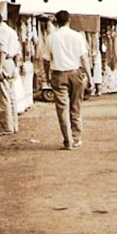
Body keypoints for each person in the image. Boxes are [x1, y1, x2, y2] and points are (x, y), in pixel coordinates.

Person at [43, 10, 94, 150]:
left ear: (56, 21)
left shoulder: (51, 38)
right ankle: (76, 138)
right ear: (69, 20)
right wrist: (90, 78)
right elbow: (84, 58)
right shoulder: (77, 36)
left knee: (62, 109)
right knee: (76, 107)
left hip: (58, 75)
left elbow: (46, 60)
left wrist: (47, 75)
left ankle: (68, 140)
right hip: (75, 73)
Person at [0, 10, 21, 135]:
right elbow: (18, 51)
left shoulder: (1, 31)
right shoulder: (11, 30)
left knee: (3, 97)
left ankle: (7, 127)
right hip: (11, 63)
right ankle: (14, 125)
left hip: (5, 63)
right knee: (11, 96)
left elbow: (2, 51)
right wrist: (17, 66)